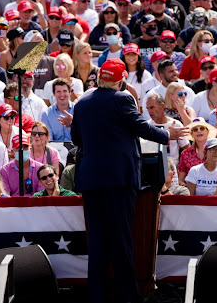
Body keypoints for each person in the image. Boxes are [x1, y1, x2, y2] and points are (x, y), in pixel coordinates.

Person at [71, 58, 184, 303]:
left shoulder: (82, 103)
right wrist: (167, 134)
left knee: (98, 241)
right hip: (119, 180)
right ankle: (128, 296)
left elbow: (76, 138)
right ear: (121, 80)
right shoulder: (122, 99)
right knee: (121, 238)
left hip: (91, 180)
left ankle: (97, 296)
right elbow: (140, 126)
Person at [146, 93, 190, 165]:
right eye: (147, 108)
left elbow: (186, 148)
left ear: (162, 106)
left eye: (152, 107)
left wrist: (182, 168)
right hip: (153, 167)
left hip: (173, 169)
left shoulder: (176, 124)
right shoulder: (147, 126)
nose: (149, 111)